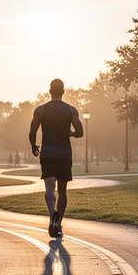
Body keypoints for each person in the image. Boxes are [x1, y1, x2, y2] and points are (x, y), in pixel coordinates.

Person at [29, 78, 84, 237]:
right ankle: (58, 224)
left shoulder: (41, 110)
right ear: (64, 91)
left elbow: (32, 132)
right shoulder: (71, 110)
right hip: (64, 154)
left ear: (50, 91)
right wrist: (71, 133)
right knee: (62, 190)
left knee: (49, 188)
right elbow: (80, 132)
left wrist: (33, 146)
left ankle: (52, 212)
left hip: (47, 153)